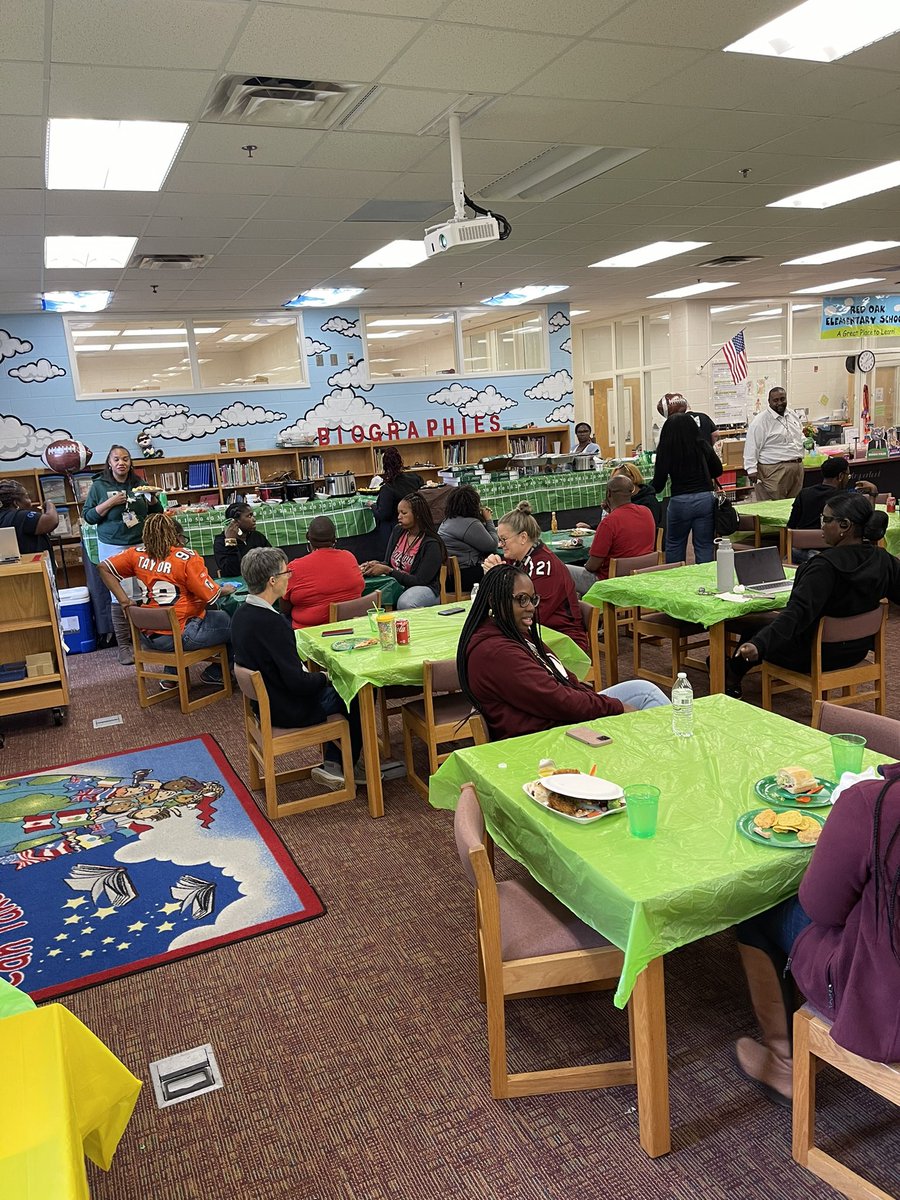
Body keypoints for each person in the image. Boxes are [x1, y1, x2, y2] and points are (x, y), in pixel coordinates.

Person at [732, 765, 900, 1103]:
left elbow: (822, 910)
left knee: (756, 909)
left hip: (884, 1010)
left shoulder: (873, 803)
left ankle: (783, 1065)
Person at [457, 563, 668, 740]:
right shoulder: (495, 652)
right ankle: (675, 754)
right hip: (548, 736)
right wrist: (616, 707)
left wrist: (601, 702)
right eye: (522, 599)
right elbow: (558, 700)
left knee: (643, 691)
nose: (530, 607)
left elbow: (565, 679)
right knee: (643, 701)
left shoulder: (513, 632)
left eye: (532, 599)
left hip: (561, 716)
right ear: (494, 601)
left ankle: (672, 748)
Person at [727, 493, 900, 698]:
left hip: (813, 654)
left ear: (845, 525)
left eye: (826, 520)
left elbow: (796, 615)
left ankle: (730, 675)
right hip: (857, 650)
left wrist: (760, 644)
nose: (821, 526)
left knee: (755, 630)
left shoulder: (823, 567)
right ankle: (731, 669)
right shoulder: (882, 559)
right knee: (765, 628)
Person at [231, 547, 364, 791]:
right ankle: (344, 764)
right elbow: (298, 683)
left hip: (265, 704)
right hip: (288, 709)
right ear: (272, 581)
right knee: (356, 691)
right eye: (286, 573)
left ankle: (335, 762)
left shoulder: (240, 616)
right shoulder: (273, 624)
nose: (289, 577)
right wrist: (325, 677)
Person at [98, 512, 234, 688]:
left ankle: (171, 676)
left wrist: (124, 601)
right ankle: (216, 672)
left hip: (147, 635)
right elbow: (210, 595)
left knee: (176, 618)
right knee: (237, 622)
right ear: (175, 536)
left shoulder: (135, 555)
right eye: (182, 537)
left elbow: (103, 568)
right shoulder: (186, 558)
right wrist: (226, 589)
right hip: (183, 634)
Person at [83, 445, 163, 664]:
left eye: (125, 459)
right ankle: (124, 647)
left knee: (143, 591)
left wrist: (153, 500)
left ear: (130, 462)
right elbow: (89, 517)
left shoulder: (139, 483)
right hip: (112, 545)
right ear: (109, 463)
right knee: (119, 594)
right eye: (116, 459)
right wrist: (110, 503)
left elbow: (157, 513)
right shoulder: (99, 486)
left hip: (140, 543)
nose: (121, 463)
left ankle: (145, 638)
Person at [483, 501, 589, 653]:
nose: (500, 545)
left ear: (523, 537)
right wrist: (492, 574)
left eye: (504, 539)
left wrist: (499, 579)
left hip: (564, 640)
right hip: (539, 633)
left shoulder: (544, 566)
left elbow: (530, 614)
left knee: (495, 650)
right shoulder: (518, 559)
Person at [651, 412, 724, 564]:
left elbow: (658, 484)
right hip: (704, 499)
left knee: (674, 544)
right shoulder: (702, 445)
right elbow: (718, 470)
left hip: (680, 501)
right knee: (704, 545)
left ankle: (676, 575)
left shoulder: (666, 449)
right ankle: (706, 576)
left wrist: (643, 490)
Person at [568, 475, 656, 596]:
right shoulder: (646, 512)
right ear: (631, 491)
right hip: (640, 577)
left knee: (560, 569)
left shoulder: (609, 522)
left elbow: (592, 566)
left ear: (609, 493)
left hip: (610, 582)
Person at [361, 491, 444, 610]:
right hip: (398, 583)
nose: (399, 517)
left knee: (405, 602)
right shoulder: (398, 531)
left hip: (424, 588)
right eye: (398, 513)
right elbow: (389, 563)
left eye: (404, 513)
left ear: (417, 515)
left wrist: (388, 571)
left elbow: (420, 580)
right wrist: (375, 565)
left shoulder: (431, 544)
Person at [284, 516, 364, 629]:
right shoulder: (349, 557)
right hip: (352, 628)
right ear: (334, 538)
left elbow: (284, 608)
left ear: (308, 537)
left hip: (310, 633)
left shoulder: (294, 568)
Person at [743, 387, 805, 500]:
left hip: (796, 468)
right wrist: (751, 469)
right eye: (775, 400)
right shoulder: (761, 421)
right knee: (773, 506)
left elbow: (799, 434)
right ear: (769, 401)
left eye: (782, 399)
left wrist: (805, 441)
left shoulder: (792, 414)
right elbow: (752, 446)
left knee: (795, 505)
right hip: (774, 470)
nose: (779, 403)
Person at [787, 456, 850, 562]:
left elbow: (791, 524)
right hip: (829, 554)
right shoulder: (843, 497)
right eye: (848, 475)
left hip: (798, 552)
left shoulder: (804, 493)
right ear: (840, 476)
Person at [437, 484, 498, 592]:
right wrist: (488, 519)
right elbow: (493, 545)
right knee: (498, 569)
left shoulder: (447, 521)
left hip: (447, 577)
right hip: (464, 576)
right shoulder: (471, 524)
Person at [371, 447, 424, 554]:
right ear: (400, 462)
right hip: (417, 525)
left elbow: (383, 514)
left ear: (384, 466)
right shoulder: (415, 479)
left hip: (395, 530)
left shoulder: (387, 488)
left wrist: (372, 506)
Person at [0, 479, 58, 556]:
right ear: (16, 503)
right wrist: (49, 504)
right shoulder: (19, 516)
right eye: (27, 497)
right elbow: (51, 520)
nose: (30, 502)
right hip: (34, 562)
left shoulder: (3, 517)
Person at [213, 502, 272, 576]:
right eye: (249, 516)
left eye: (252, 515)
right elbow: (231, 571)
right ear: (235, 522)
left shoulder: (257, 536)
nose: (254, 519)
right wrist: (231, 541)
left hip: (259, 578)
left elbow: (272, 560)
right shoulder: (221, 542)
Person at [614, 462, 662, 526]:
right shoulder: (620, 501)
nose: (614, 485)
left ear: (631, 478)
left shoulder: (649, 502)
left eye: (618, 481)